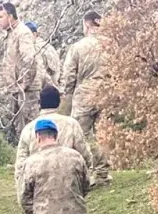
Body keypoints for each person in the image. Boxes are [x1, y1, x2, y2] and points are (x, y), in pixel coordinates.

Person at [60, 9, 110, 183]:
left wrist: (67, 93)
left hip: (84, 95)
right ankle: (103, 174)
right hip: (107, 93)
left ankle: (82, 174)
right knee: (103, 134)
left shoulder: (78, 47)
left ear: (86, 24)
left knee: (78, 134)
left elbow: (69, 75)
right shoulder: (111, 44)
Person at [14, 83, 90, 194]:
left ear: (40, 103)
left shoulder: (29, 129)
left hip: (40, 187)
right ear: (58, 102)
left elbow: (21, 165)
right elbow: (84, 155)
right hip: (69, 184)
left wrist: (23, 192)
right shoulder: (72, 124)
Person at [0, 1, 39, 138]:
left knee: (30, 129)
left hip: (27, 91)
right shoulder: (10, 33)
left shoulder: (22, 33)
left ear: (10, 16)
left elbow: (30, 59)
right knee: (20, 129)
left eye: (0, 17)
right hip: (16, 89)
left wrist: (24, 84)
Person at [24, 20, 62, 87]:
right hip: (55, 88)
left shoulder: (35, 49)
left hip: (43, 90)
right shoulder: (49, 47)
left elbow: (39, 75)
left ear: (34, 34)